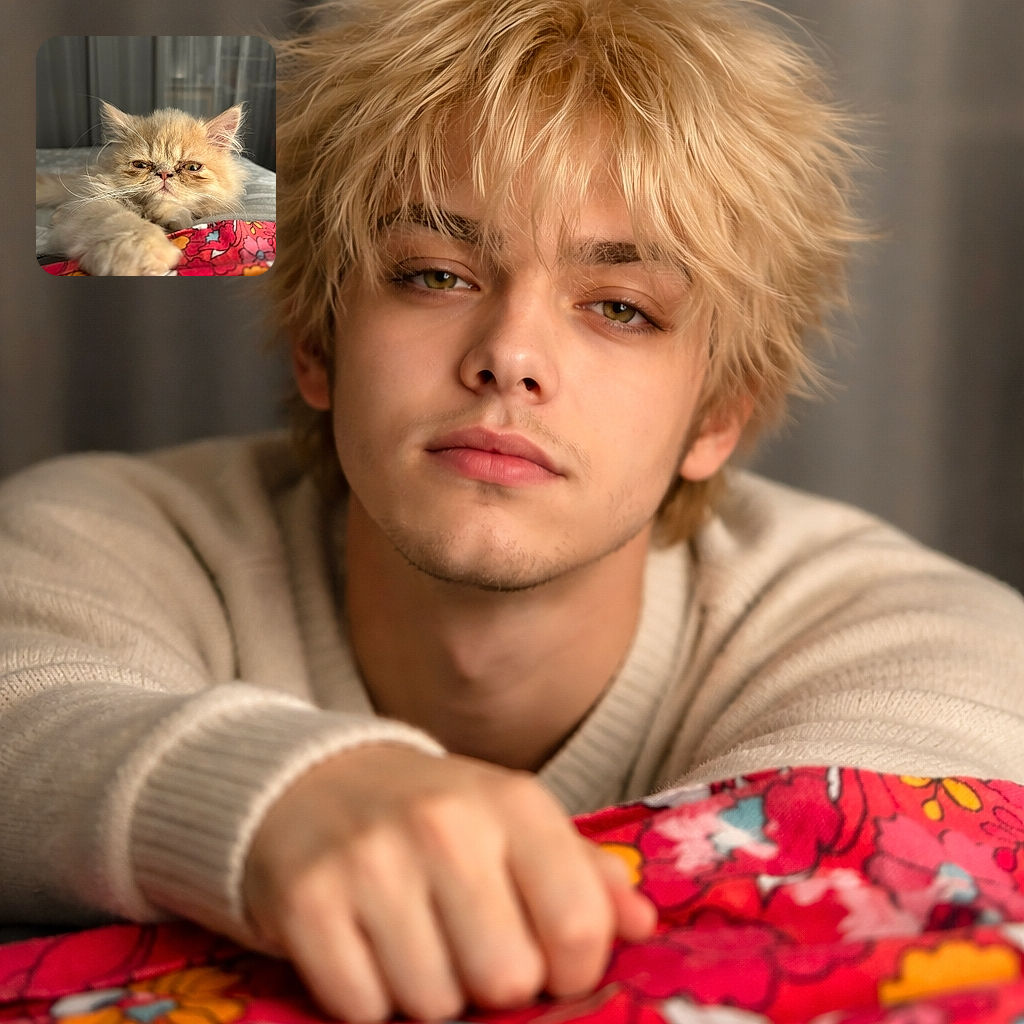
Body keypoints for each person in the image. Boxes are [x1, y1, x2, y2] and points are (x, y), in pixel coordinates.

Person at [2, 0, 1023, 1020]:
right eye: (433, 274)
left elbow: (872, 885)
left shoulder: (923, 643)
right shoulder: (98, 537)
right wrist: (267, 798)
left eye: (620, 307)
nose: (510, 355)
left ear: (717, 414)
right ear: (318, 344)